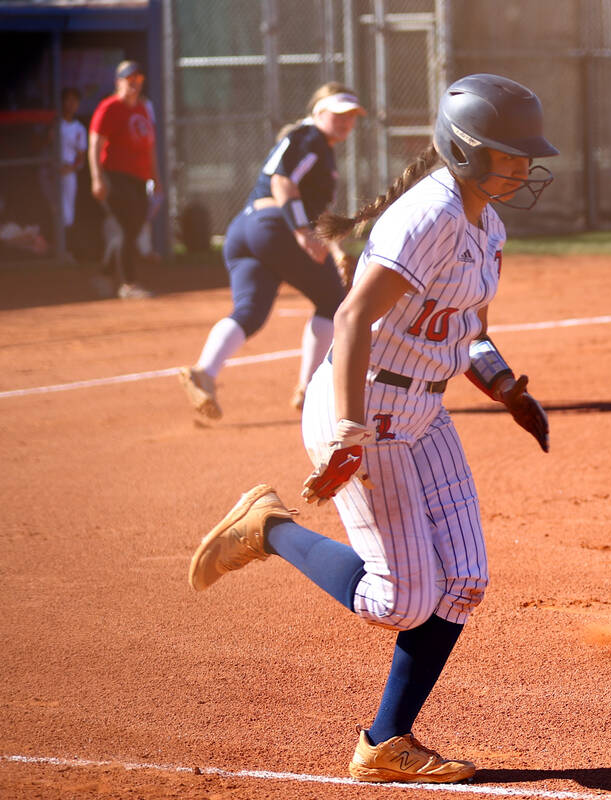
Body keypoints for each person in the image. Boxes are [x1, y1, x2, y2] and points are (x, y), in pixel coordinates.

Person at [186, 73, 557, 782]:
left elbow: (467, 331)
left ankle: (385, 743)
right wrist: (349, 429)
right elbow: (352, 317)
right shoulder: (429, 217)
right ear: (467, 148)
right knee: (400, 601)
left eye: (525, 154)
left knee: (465, 581)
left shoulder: (489, 224)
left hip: (422, 412)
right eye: (511, 154)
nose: (523, 166)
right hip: (364, 408)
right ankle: (268, 528)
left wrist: (506, 387)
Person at [178, 82, 365, 420]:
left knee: (250, 311)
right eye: (338, 114)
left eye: (351, 116)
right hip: (276, 227)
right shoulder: (312, 139)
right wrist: (301, 233)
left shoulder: (309, 142)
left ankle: (204, 373)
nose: (346, 121)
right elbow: (283, 182)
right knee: (332, 302)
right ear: (318, 111)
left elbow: (315, 213)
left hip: (245, 229)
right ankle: (309, 390)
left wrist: (333, 248)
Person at [88, 60, 159, 299]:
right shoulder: (109, 107)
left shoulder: (141, 109)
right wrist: (97, 177)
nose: (135, 85)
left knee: (134, 227)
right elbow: (95, 143)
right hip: (115, 176)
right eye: (130, 81)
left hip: (139, 177)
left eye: (138, 81)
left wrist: (155, 176)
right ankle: (128, 283)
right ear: (118, 82)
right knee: (128, 227)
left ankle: (106, 272)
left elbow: (150, 146)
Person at [58, 88, 89, 247]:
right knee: (54, 208)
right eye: (67, 100)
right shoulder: (55, 125)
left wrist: (68, 169)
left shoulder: (79, 129)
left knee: (67, 213)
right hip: (49, 173)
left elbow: (81, 158)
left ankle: (65, 249)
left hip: (68, 174)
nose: (70, 104)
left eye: (74, 101)